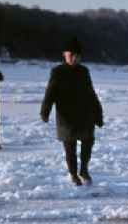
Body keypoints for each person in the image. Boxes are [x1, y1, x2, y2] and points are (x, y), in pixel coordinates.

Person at [40, 37, 104, 186]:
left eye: (77, 56)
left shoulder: (84, 71)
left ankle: (84, 170)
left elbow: (91, 93)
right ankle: (74, 174)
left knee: (88, 142)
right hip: (66, 115)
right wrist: (45, 110)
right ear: (64, 55)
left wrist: (98, 114)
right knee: (70, 146)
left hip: (85, 114)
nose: (75, 58)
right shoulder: (58, 72)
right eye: (71, 55)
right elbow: (50, 93)